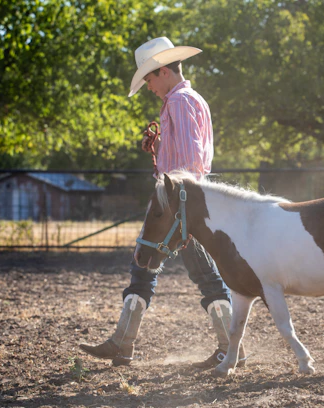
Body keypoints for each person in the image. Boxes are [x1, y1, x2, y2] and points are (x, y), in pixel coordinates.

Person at [79, 37, 245, 369]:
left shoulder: (178, 102)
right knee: (146, 264)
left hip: (179, 206)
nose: (149, 87)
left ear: (164, 71)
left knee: (198, 274)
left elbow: (188, 161)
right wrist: (157, 148)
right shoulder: (188, 99)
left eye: (149, 79)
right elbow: (187, 156)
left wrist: (178, 206)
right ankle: (123, 344)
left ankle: (231, 349)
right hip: (180, 203)